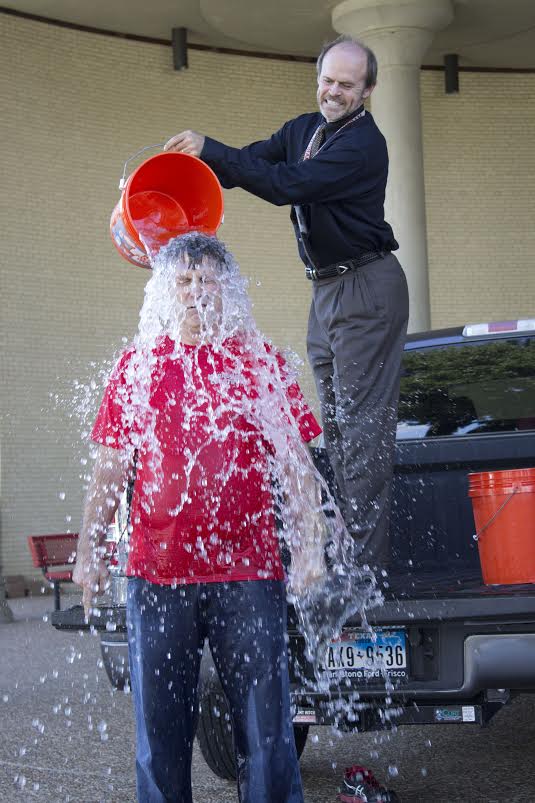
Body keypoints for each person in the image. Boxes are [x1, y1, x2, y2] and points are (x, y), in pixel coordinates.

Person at [72, 232, 323, 803]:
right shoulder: (136, 366)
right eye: (183, 281)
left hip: (249, 573)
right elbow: (110, 471)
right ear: (164, 289)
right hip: (157, 578)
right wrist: (90, 553)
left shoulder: (260, 363)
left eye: (207, 280)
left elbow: (295, 466)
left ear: (227, 289)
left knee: (267, 732)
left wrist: (310, 546)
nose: (195, 292)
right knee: (160, 736)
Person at [164, 35, 410, 567]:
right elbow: (248, 163)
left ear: (367, 90)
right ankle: (348, 559)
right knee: (339, 430)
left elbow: (287, 184)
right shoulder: (303, 129)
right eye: (327, 79)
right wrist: (193, 170)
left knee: (361, 436)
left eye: (347, 84)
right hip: (325, 289)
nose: (334, 91)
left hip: (367, 287)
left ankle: (363, 576)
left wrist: (214, 150)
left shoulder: (364, 145)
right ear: (317, 76)